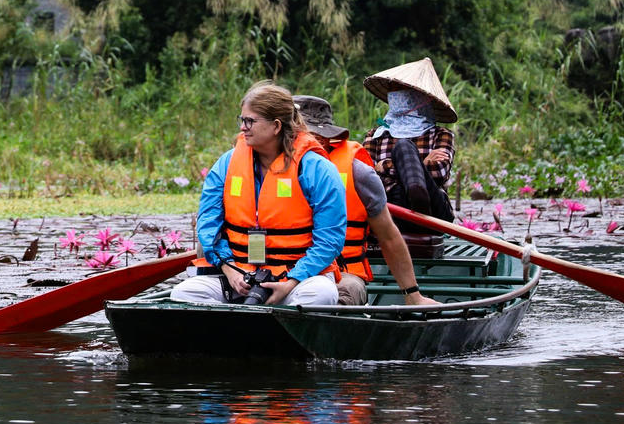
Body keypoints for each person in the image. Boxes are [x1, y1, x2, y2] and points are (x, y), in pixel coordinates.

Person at [172, 81, 344, 307]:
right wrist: (229, 269)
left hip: (297, 280)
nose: (243, 127)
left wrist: (290, 282)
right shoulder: (226, 164)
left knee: (321, 294)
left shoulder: (317, 170)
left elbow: (330, 240)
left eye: (250, 121)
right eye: (242, 120)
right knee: (184, 293)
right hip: (238, 276)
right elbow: (208, 224)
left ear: (275, 126)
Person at [293, 94, 440, 307]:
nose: (298, 143)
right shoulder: (263, 167)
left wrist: (412, 294)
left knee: (340, 293)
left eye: (306, 135)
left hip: (343, 273)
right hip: (282, 268)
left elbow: (388, 236)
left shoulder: (358, 171)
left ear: (324, 138)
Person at [361, 57, 456, 222]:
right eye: (393, 91)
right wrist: (423, 163)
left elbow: (439, 172)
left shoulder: (441, 134)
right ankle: (413, 195)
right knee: (398, 182)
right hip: (391, 206)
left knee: (404, 146)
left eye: (401, 91)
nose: (394, 96)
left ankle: (418, 197)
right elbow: (366, 177)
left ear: (419, 97)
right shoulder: (376, 135)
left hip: (434, 211)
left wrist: (383, 165)